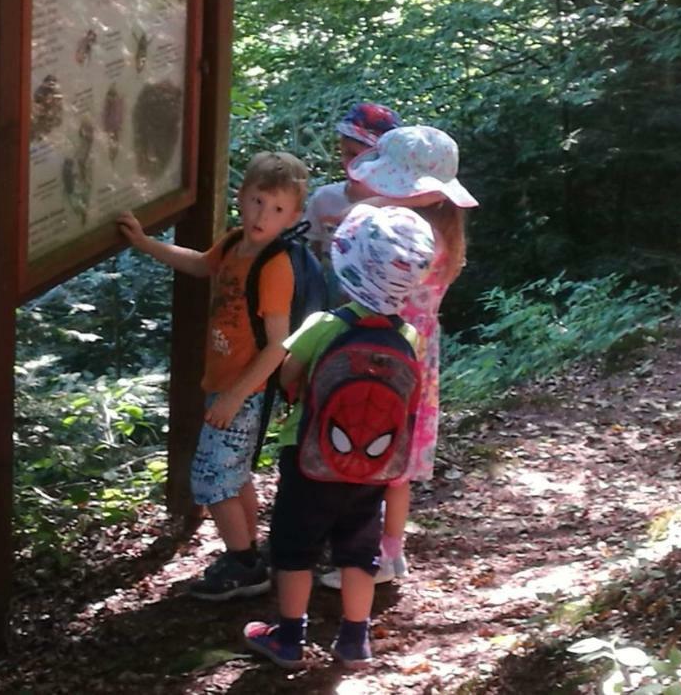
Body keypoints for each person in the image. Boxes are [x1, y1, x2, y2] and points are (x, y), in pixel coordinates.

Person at [243, 203, 436, 669]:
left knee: (294, 547)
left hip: (309, 456)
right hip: (373, 468)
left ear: (346, 264)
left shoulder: (324, 326)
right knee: (358, 550)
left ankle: (288, 638)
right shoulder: (410, 337)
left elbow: (290, 374)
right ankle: (354, 639)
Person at [117, 151, 308, 600]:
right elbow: (202, 263)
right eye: (259, 201)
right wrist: (146, 244)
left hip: (245, 391)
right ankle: (251, 554)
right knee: (233, 474)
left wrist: (236, 396)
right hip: (224, 385)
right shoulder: (236, 243)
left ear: (293, 216)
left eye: (278, 209)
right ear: (242, 196)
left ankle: (242, 562)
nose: (264, 215)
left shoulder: (274, 266)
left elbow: (280, 344)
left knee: (210, 477)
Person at [319, 125, 477, 590]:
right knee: (397, 469)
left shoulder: (399, 236)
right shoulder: (445, 234)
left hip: (380, 355)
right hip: (418, 359)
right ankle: (391, 551)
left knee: (365, 450)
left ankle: (362, 554)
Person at [303, 102, 402, 301]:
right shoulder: (324, 198)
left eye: (358, 155)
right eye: (345, 153)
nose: (350, 163)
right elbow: (310, 255)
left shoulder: (399, 207)